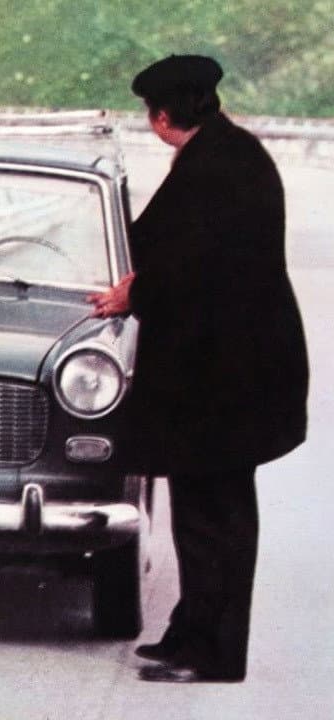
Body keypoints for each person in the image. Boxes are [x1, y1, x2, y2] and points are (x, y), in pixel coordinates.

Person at [89, 54, 308, 683]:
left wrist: (134, 292)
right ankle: (191, 632)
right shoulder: (228, 155)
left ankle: (213, 654)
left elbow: (195, 266)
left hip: (228, 382)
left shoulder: (215, 168)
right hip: (228, 377)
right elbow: (173, 247)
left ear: (162, 117)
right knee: (204, 513)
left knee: (216, 519)